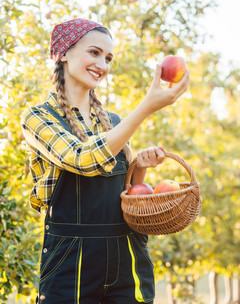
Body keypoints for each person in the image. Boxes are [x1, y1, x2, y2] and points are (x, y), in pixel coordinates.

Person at [21, 18, 189, 304]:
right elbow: (81, 159)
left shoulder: (113, 122)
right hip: (71, 260)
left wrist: (140, 169)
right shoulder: (38, 118)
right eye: (94, 53)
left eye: (108, 57)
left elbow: (126, 192)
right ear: (64, 53)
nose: (103, 64)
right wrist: (146, 108)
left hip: (127, 256)